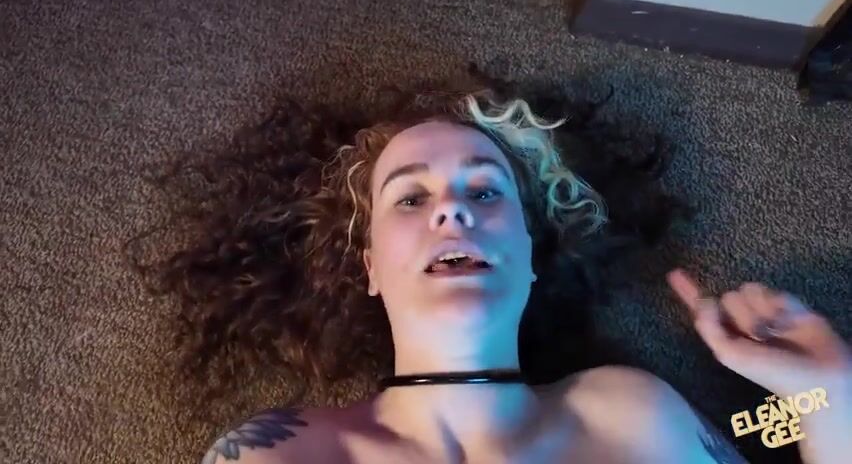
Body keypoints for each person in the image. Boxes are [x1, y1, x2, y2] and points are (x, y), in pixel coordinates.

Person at [126, 65, 850, 463]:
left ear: (529, 253)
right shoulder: (280, 455)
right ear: (370, 266)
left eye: (483, 190)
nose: (452, 210)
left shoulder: (634, 411)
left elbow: (762, 431)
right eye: (411, 198)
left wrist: (823, 395)